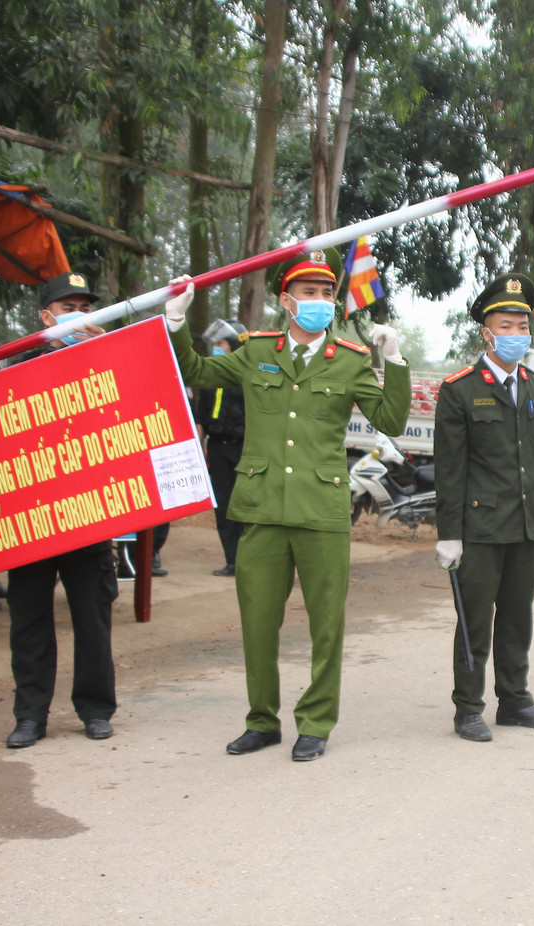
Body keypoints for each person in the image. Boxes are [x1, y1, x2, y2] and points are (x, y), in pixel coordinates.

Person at [164, 253, 410, 762]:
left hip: (321, 511)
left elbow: (390, 419)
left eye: (326, 294)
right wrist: (175, 322)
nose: (319, 302)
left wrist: (395, 360)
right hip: (262, 510)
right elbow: (196, 371)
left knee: (326, 624)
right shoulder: (256, 352)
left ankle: (316, 722)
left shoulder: (348, 358)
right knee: (256, 622)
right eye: (309, 293)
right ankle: (262, 721)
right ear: (286, 300)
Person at [433, 273, 534, 743]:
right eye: (506, 325)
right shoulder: (460, 389)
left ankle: (514, 700)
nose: (516, 334)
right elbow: (450, 469)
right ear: (486, 332)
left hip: (528, 524)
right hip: (480, 527)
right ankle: (468, 707)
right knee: (474, 619)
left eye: (522, 325)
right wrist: (448, 532)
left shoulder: (533, 385)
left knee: (517, 615)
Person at [4, 271, 119, 748]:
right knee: (29, 620)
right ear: (46, 317)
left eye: (85, 308)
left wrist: (111, 351)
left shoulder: (107, 363)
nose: (79, 317)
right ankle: (30, 715)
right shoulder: (16, 369)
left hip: (90, 513)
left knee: (92, 618)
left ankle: (95, 709)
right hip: (31, 517)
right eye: (68, 308)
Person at [194, 318, 248, 576]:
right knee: (224, 506)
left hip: (245, 449)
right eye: (214, 344)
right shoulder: (210, 374)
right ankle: (232, 560)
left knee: (248, 505)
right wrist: (197, 447)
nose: (217, 347)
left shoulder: (250, 374)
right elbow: (201, 417)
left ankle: (251, 561)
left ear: (236, 345)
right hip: (217, 447)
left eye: (221, 343)